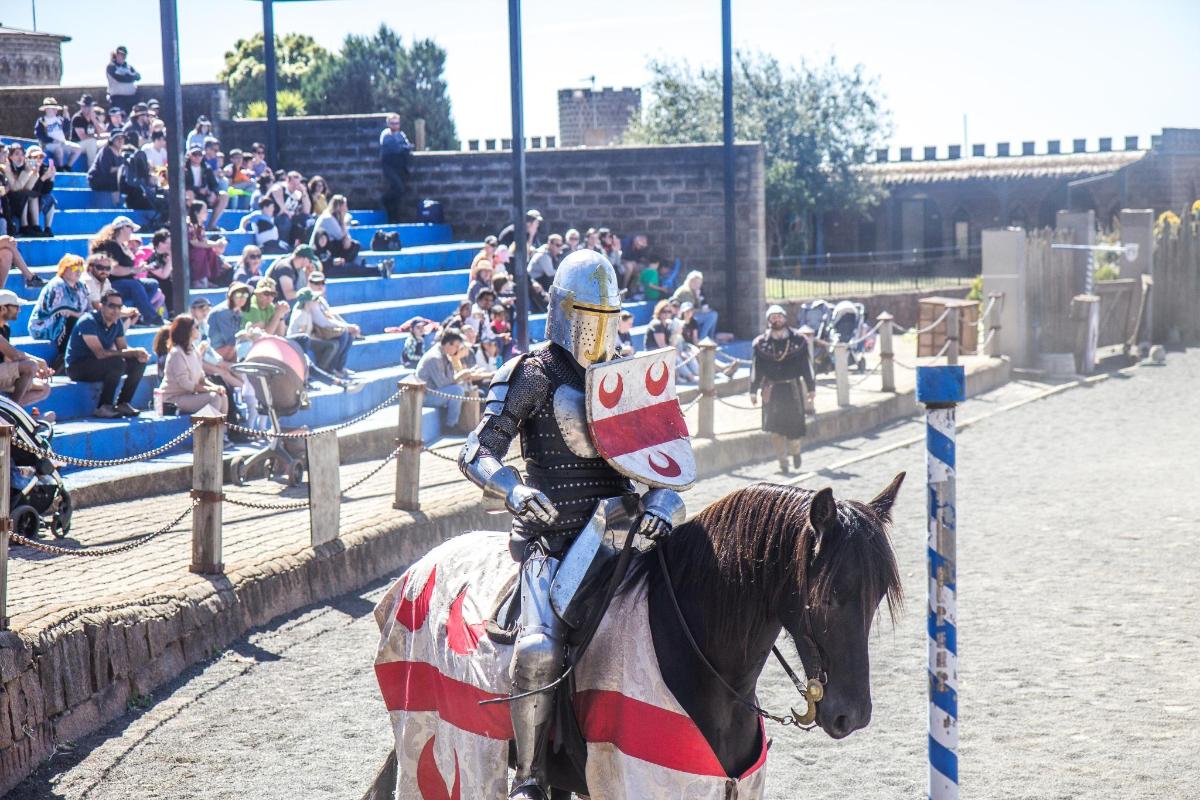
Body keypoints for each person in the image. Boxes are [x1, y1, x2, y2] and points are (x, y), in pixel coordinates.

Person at [456, 249, 684, 800]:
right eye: (587, 312)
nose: (596, 327)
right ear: (561, 308)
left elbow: (666, 468)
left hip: (625, 534)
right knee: (536, 650)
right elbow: (475, 451)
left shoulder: (627, 377)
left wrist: (662, 506)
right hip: (555, 540)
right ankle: (529, 775)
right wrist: (513, 488)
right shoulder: (532, 371)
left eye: (607, 315)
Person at [750, 305, 817, 474]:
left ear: (785, 318)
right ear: (768, 320)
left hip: (793, 389)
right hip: (771, 391)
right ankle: (783, 463)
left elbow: (807, 366)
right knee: (775, 428)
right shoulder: (761, 344)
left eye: (779, 316)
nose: (776, 320)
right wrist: (753, 390)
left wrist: (811, 388)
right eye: (773, 317)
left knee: (794, 428)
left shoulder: (799, 341)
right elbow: (755, 369)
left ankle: (795, 451)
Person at [66, 289, 149, 418]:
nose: (115, 310)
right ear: (101, 305)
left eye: (119, 307)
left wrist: (138, 354)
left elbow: (123, 348)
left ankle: (123, 403)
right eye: (112, 306)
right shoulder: (88, 321)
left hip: (100, 364)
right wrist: (132, 352)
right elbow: (100, 353)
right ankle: (103, 406)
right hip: (78, 367)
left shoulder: (117, 323)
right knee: (116, 363)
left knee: (137, 362)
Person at [91, 217, 165, 325]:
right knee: (134, 285)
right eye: (130, 228)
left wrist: (141, 269)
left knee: (152, 284)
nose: (132, 232)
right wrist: (133, 270)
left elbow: (129, 269)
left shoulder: (122, 246)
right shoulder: (110, 245)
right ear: (123, 228)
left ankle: (135, 314)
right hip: (109, 284)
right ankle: (151, 317)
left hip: (125, 283)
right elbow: (113, 270)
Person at [286, 273, 359, 379]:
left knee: (346, 335)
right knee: (334, 344)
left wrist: (347, 326)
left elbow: (332, 316)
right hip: (302, 341)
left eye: (322, 283)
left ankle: (338, 368)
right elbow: (302, 333)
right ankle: (324, 370)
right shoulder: (301, 313)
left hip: (310, 336)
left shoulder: (313, 304)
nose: (320, 286)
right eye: (316, 283)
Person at [155, 314, 228, 417]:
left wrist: (216, 387)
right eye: (196, 328)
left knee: (222, 396)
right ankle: (206, 432)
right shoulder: (176, 353)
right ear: (187, 331)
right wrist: (211, 390)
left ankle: (221, 431)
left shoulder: (194, 350)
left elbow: (201, 379)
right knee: (214, 397)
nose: (199, 330)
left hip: (188, 395)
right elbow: (185, 383)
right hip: (172, 398)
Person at [29, 255, 91, 371]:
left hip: (69, 322)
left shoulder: (81, 286)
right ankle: (63, 358)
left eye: (81, 269)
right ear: (65, 269)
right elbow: (62, 311)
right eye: (74, 268)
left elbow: (87, 308)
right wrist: (84, 316)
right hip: (45, 325)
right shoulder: (57, 284)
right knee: (74, 320)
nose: (78, 272)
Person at [0, 289, 52, 406]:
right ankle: (12, 411)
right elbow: (15, 355)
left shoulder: (5, 328)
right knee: (30, 366)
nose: (19, 310)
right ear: (3, 309)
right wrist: (38, 363)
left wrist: (32, 372)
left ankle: (9, 411)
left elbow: (8, 359)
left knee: (43, 388)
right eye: (16, 307)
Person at [310, 194, 380, 277]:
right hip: (324, 258)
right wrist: (343, 218)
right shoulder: (327, 218)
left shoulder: (334, 218)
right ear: (339, 207)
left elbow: (347, 242)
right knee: (350, 268)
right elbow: (341, 236)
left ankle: (375, 269)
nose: (346, 209)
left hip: (328, 256)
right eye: (345, 206)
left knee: (355, 246)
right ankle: (377, 270)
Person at [415, 328, 471, 430]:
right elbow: (443, 384)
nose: (457, 350)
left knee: (460, 388)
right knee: (457, 391)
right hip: (425, 396)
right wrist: (460, 375)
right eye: (456, 347)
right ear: (448, 344)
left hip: (435, 392)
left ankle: (454, 423)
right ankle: (450, 426)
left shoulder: (444, 354)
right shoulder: (434, 357)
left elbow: (449, 379)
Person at [182, 145, 228, 230]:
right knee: (189, 194)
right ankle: (192, 225)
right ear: (189, 155)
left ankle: (212, 225)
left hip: (204, 196)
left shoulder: (207, 168)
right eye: (194, 154)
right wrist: (197, 189)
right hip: (191, 195)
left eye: (200, 155)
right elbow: (183, 185)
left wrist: (213, 193)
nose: (197, 157)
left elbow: (214, 185)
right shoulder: (184, 169)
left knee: (224, 195)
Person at [379, 113, 412, 223]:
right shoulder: (385, 135)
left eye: (397, 123)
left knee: (400, 192)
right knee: (399, 188)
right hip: (389, 166)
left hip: (399, 167)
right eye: (392, 123)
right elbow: (393, 148)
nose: (395, 126)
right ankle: (385, 200)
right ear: (388, 124)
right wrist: (402, 148)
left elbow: (407, 147)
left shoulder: (401, 135)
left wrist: (403, 148)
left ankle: (394, 215)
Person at [187, 201, 228, 289]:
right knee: (200, 252)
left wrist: (217, 244)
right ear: (197, 213)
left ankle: (207, 279)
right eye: (204, 211)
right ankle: (197, 280)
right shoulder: (190, 225)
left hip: (197, 248)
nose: (207, 213)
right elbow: (194, 243)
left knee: (211, 251)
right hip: (189, 250)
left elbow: (205, 241)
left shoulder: (200, 226)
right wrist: (214, 244)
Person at [134, 228, 175, 315]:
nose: (171, 246)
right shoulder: (150, 255)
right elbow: (164, 275)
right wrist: (171, 259)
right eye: (168, 243)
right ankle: (171, 312)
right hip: (148, 282)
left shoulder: (163, 255)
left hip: (159, 281)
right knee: (167, 283)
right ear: (160, 244)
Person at [33, 99, 82, 170]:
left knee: (77, 148)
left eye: (55, 109)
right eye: (52, 109)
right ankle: (60, 167)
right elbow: (39, 134)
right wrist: (52, 140)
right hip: (49, 144)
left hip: (62, 142)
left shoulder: (59, 119)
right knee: (59, 149)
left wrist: (66, 119)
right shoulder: (42, 121)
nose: (55, 110)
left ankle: (68, 166)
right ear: (46, 110)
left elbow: (66, 130)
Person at [670, 270, 718, 340]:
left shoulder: (693, 291)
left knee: (712, 314)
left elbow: (695, 307)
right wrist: (702, 310)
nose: (697, 285)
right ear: (689, 281)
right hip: (682, 317)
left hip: (689, 315)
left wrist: (697, 297)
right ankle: (702, 339)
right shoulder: (686, 291)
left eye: (699, 283)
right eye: (695, 282)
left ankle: (710, 338)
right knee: (712, 315)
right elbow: (688, 310)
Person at [269, 171, 312, 248]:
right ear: (287, 181)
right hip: (277, 217)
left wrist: (304, 192)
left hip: (291, 217)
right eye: (293, 184)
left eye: (297, 184)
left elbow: (307, 211)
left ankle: (305, 246)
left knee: (308, 220)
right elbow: (275, 191)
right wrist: (286, 211)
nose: (295, 186)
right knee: (285, 219)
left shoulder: (297, 194)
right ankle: (283, 245)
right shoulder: (280, 188)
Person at [70, 95, 102, 170]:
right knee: (92, 142)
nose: (86, 109)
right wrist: (95, 137)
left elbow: (99, 133)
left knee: (108, 142)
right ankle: (92, 169)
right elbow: (82, 137)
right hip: (77, 144)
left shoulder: (94, 117)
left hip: (91, 142)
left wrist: (94, 120)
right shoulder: (78, 118)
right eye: (83, 106)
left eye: (88, 106)